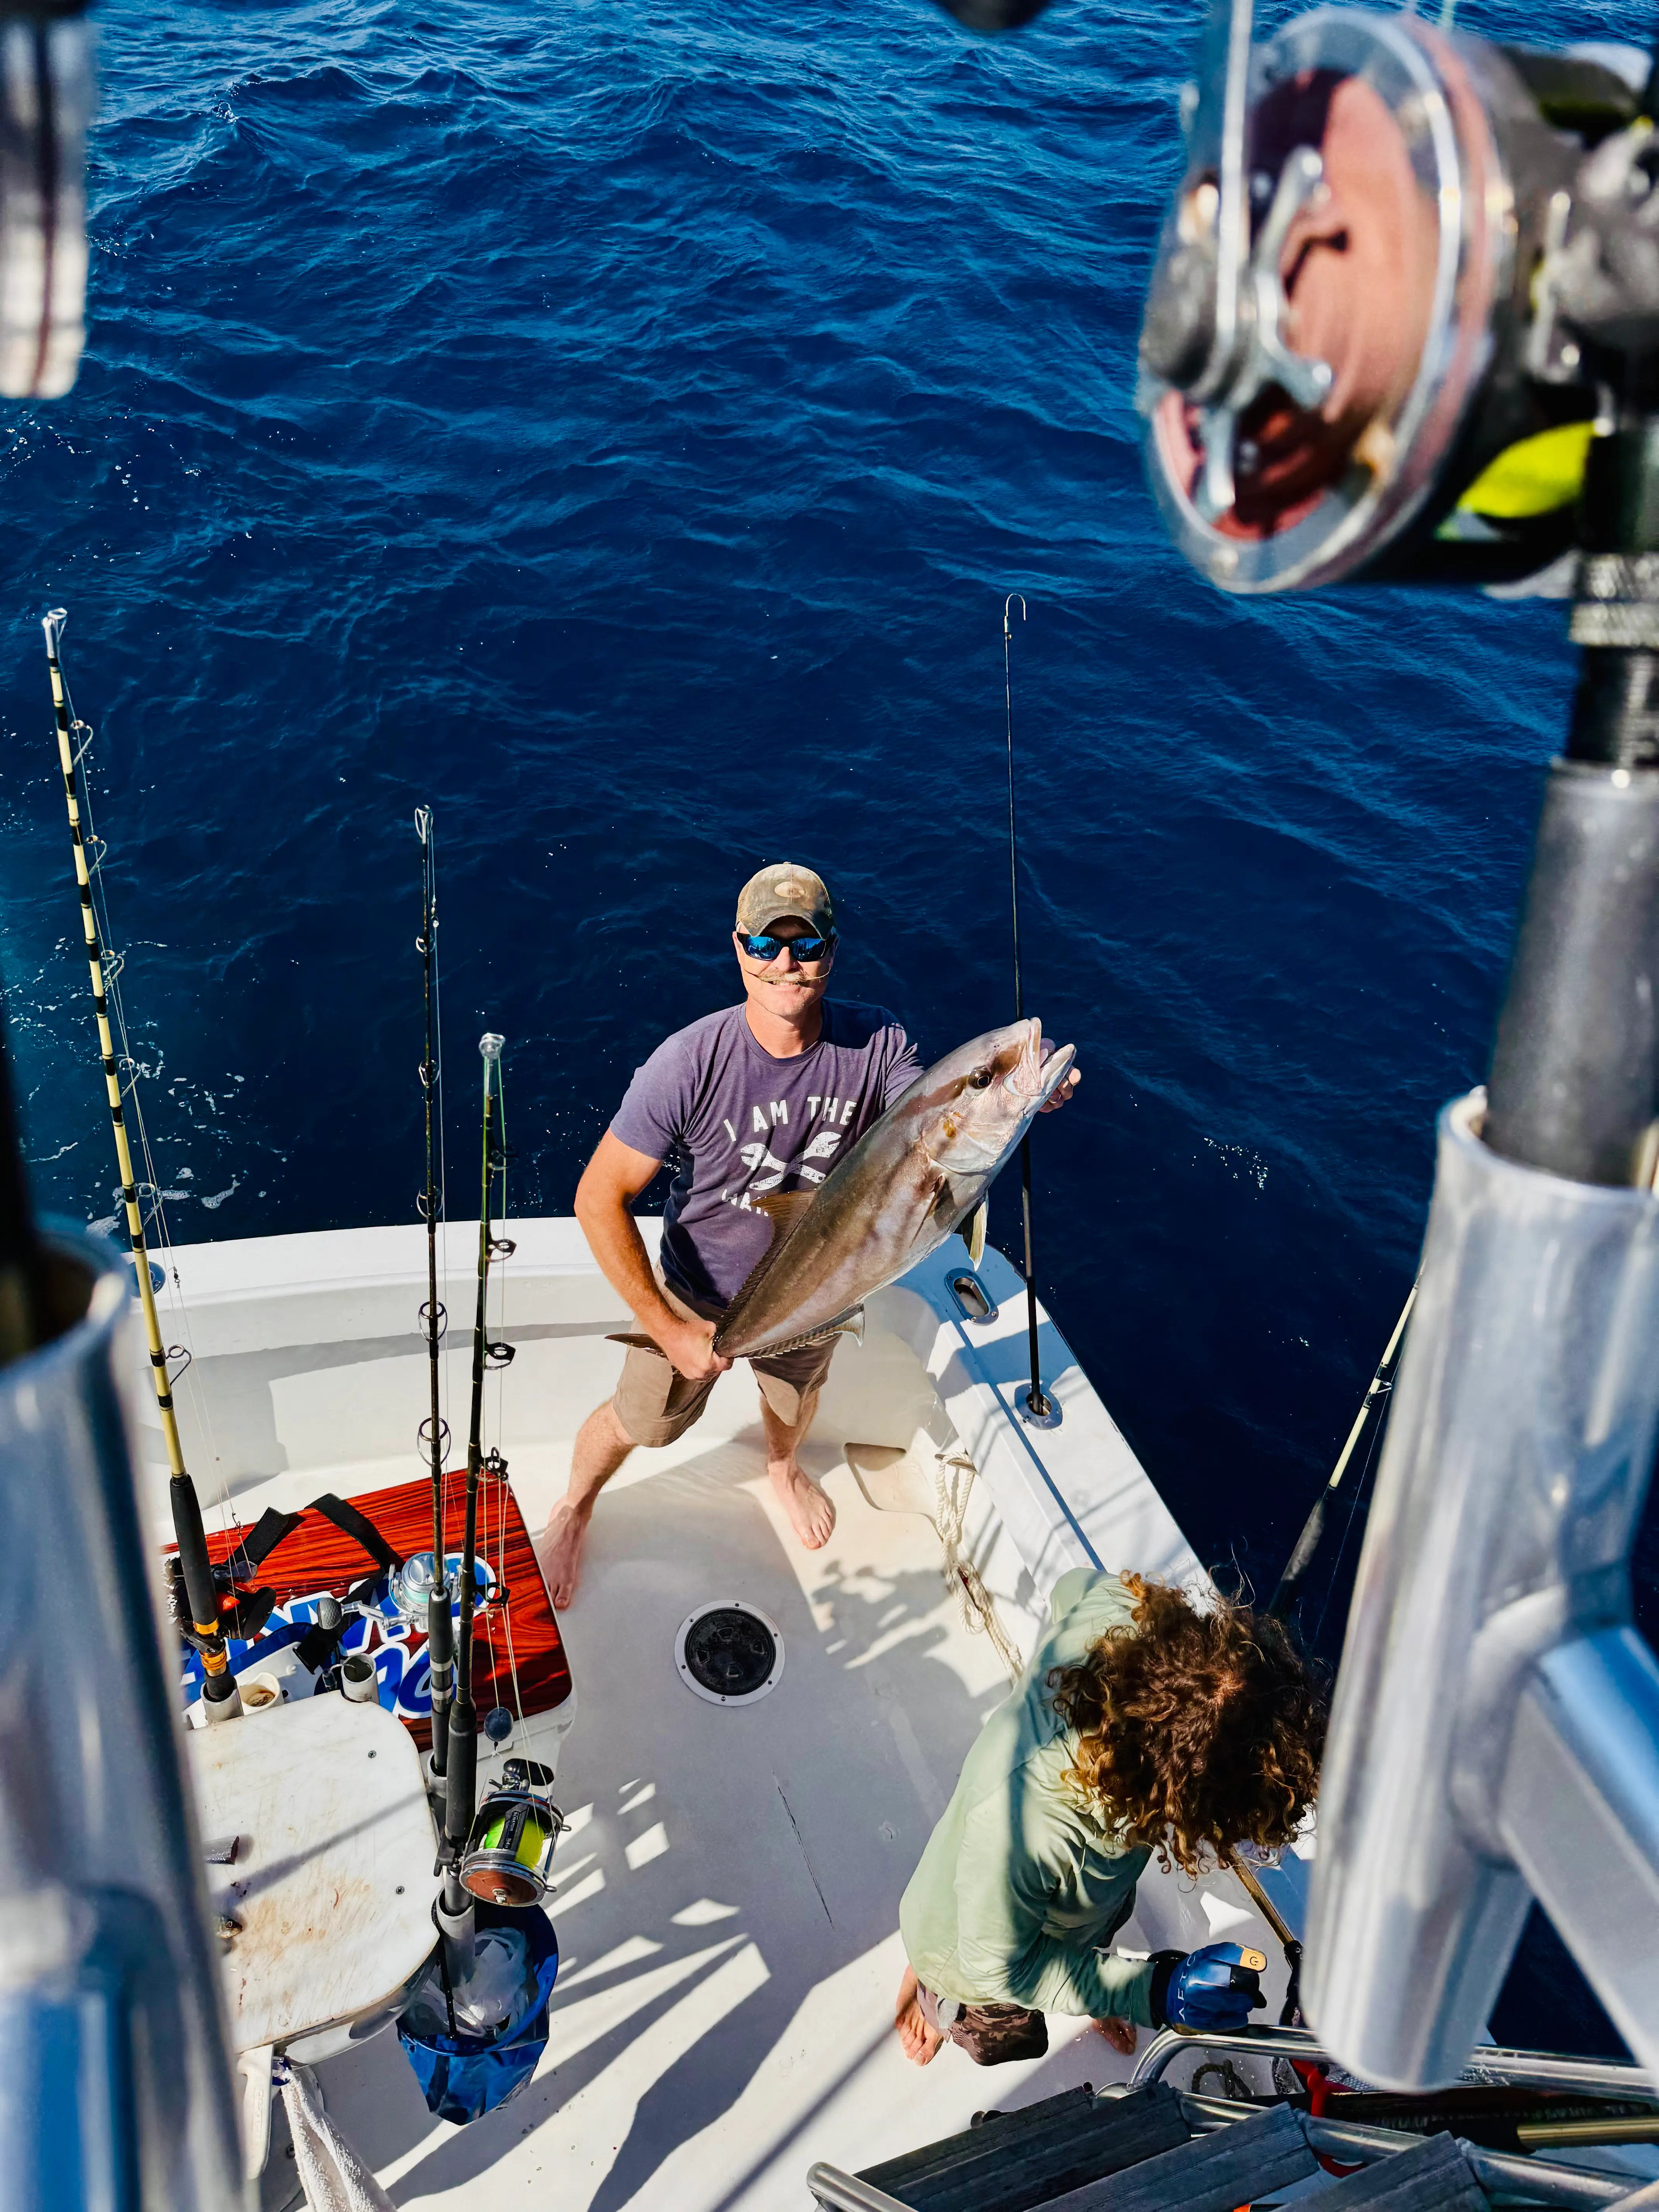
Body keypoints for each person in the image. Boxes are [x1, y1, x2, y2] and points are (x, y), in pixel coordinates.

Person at [535, 860, 1081, 1609]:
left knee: (794, 1404)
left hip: (827, 1287)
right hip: (696, 1294)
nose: (786, 962)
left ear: (833, 950)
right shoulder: (688, 1063)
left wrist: (1020, 1099)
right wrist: (668, 1329)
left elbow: (919, 1126)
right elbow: (597, 1197)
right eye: (767, 944)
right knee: (643, 1423)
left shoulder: (879, 1043)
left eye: (807, 944)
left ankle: (782, 1468)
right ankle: (574, 1506)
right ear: (738, 948)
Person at [895, 1566, 1326, 2066]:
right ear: (1180, 1793)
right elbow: (996, 1971)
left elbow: (1070, 1588)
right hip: (966, 1957)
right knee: (1003, 2032)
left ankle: (1084, 1978)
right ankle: (934, 1998)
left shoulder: (1130, 1611)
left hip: (1048, 1895)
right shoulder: (1024, 1828)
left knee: (1090, 1914)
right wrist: (1148, 1991)